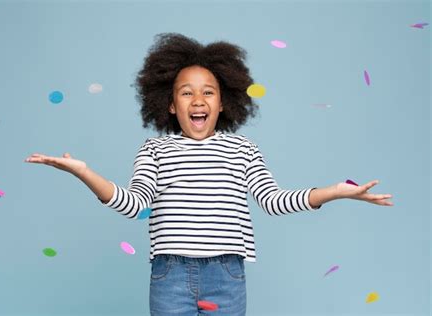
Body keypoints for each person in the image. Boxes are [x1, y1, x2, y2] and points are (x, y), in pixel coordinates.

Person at [25, 33, 393, 316]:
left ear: (223, 101)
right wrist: (84, 173)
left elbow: (273, 201)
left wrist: (334, 191)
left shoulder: (242, 149)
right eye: (186, 93)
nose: (198, 100)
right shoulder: (154, 150)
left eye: (208, 92)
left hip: (227, 275)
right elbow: (132, 203)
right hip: (169, 275)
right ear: (170, 104)